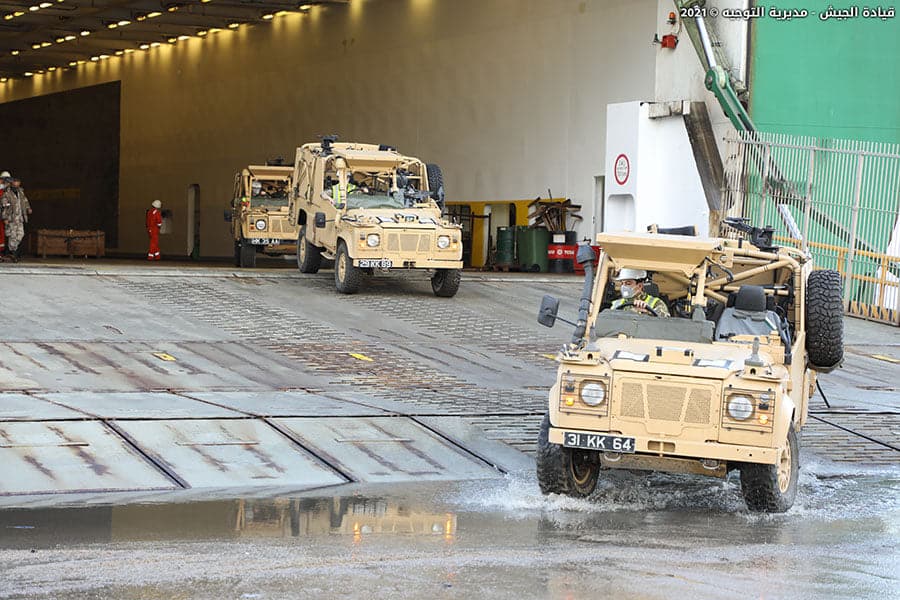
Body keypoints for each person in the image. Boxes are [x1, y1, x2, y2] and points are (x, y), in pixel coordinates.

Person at [1, 174, 32, 262]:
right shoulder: (7, 194)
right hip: (11, 218)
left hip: (20, 218)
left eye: (18, 183)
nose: (17, 185)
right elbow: (4, 207)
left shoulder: (21, 193)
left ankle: (12, 250)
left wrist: (28, 208)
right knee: (12, 235)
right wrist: (5, 218)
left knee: (20, 235)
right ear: (12, 184)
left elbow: (25, 201)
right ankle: (13, 252)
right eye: (15, 183)